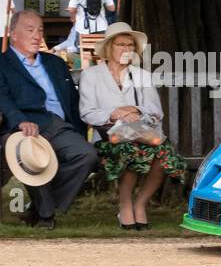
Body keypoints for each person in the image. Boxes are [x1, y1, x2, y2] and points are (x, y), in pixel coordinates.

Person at [0, 10, 99, 228]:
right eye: (30, 30)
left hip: (58, 125)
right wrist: (19, 120)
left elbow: (71, 100)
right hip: (22, 127)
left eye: (40, 30)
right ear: (13, 34)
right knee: (30, 154)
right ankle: (45, 216)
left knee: (87, 155)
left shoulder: (54, 63)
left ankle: (37, 208)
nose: (37, 35)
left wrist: (78, 129)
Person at [79, 22, 186, 230]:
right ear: (109, 47)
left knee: (162, 153)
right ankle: (125, 204)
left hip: (139, 132)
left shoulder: (142, 76)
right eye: (121, 44)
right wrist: (115, 113)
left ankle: (140, 203)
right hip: (108, 137)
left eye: (130, 45)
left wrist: (134, 110)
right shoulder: (91, 75)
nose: (127, 49)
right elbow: (87, 112)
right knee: (135, 148)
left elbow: (156, 111)